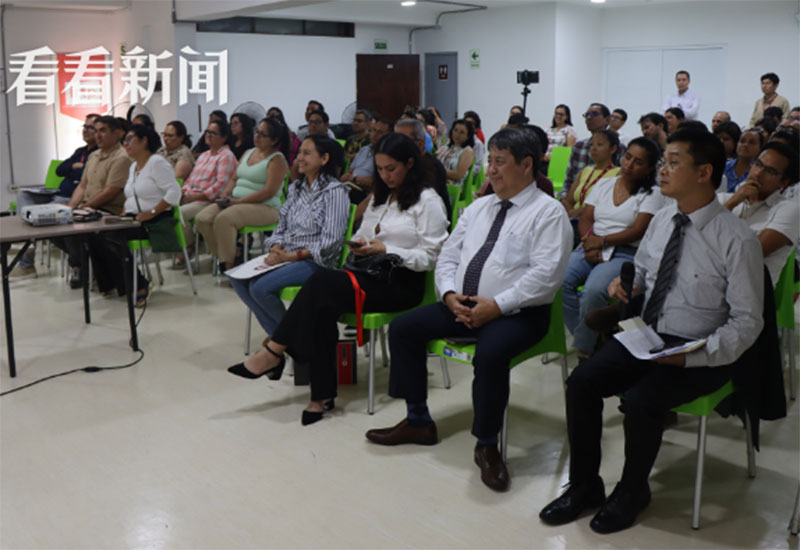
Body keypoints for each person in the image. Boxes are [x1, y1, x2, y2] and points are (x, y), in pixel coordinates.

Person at [540, 129, 764, 534]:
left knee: (643, 401)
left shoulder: (736, 240)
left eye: (674, 162)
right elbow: (643, 272)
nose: (663, 169)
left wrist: (693, 356)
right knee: (582, 382)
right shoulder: (663, 220)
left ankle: (632, 491)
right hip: (650, 336)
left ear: (704, 173)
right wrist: (624, 286)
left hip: (700, 350)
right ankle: (585, 485)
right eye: (664, 161)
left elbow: (747, 322)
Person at [364, 128, 572, 492]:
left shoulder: (548, 213)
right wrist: (448, 295)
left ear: (527, 165)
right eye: (490, 161)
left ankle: (486, 444)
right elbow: (448, 256)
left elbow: (546, 276)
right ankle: (418, 420)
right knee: (404, 329)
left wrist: (497, 306)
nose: (491, 170)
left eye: (500, 162)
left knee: (490, 353)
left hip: (519, 314)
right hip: (462, 305)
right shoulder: (478, 208)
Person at [227, 133, 449, 427]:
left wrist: (388, 250)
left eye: (391, 169)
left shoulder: (428, 200)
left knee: (321, 283)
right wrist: (361, 244)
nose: (385, 176)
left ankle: (275, 351)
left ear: (410, 164)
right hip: (367, 272)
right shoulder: (380, 196)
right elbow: (364, 234)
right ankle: (319, 396)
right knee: (321, 303)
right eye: (380, 169)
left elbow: (433, 257)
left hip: (400, 282)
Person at [227, 135, 350, 340]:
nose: (299, 158)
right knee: (238, 279)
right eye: (299, 152)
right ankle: (286, 340)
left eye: (306, 153)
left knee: (260, 288)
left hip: (315, 261)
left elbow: (331, 242)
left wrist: (292, 257)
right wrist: (275, 247)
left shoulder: (335, 192)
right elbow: (281, 226)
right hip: (287, 256)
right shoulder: (296, 188)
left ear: (324, 159)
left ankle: (288, 340)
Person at [562, 137, 664, 357]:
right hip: (591, 245)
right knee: (560, 281)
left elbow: (638, 230)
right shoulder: (605, 184)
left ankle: (585, 350)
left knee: (593, 291)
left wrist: (603, 241)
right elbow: (586, 218)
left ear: (649, 168)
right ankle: (590, 337)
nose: (629, 165)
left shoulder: (652, 194)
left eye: (638, 162)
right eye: (628, 157)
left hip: (624, 251)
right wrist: (589, 242)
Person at [87, 124, 181, 306]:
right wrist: (124, 212)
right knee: (93, 234)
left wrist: (151, 213)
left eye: (129, 139)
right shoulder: (133, 167)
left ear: (144, 141)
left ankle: (139, 284)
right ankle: (111, 282)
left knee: (112, 237)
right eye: (124, 141)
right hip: (133, 218)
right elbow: (132, 195)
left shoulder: (157, 163)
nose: (126, 144)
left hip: (155, 221)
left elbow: (174, 193)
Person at [194, 117, 290, 272]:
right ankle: (228, 254)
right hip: (236, 202)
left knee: (224, 218)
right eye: (257, 132)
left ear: (274, 140)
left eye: (263, 135)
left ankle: (229, 266)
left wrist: (238, 202)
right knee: (202, 218)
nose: (257, 136)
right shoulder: (248, 152)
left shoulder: (277, 159)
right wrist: (225, 193)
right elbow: (234, 178)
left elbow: (269, 191)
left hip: (266, 207)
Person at [11, 113, 100, 278]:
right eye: (84, 126)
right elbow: (59, 170)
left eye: (90, 128)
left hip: (70, 198)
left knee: (43, 221)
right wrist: (73, 166)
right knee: (24, 195)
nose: (86, 130)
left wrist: (75, 169)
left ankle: (27, 262)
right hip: (57, 193)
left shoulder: (98, 153)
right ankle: (25, 242)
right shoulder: (80, 151)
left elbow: (85, 177)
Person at [52, 116, 132, 288]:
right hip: (89, 209)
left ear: (117, 133)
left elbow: (111, 191)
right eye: (96, 131)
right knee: (54, 227)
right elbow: (82, 186)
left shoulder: (121, 157)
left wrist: (84, 208)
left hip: (109, 210)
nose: (98, 135)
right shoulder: (93, 155)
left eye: (103, 131)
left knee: (72, 231)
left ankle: (81, 267)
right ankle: (87, 263)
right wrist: (71, 208)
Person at [719, 141, 799, 286]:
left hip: (746, 294)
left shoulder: (789, 210)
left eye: (770, 171)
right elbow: (695, 238)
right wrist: (732, 203)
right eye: (758, 164)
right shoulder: (725, 200)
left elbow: (749, 256)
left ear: (783, 182)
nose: (758, 173)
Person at [177, 119, 237, 263]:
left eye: (213, 133)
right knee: (167, 211)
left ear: (223, 137)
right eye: (207, 132)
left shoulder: (226, 156)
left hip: (209, 201)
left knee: (179, 214)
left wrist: (194, 197)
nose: (208, 135)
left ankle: (191, 245)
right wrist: (184, 193)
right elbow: (190, 180)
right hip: (193, 198)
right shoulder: (204, 155)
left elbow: (221, 186)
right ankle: (189, 244)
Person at [394, 118, 451, 219]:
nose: (395, 145)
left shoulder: (432, 167)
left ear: (420, 144)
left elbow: (420, 203)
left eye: (402, 141)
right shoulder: (401, 162)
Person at [563, 103, 625, 192]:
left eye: (594, 114)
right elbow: (568, 181)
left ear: (607, 119)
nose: (589, 118)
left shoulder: (618, 148)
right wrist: (564, 195)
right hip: (576, 196)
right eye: (587, 115)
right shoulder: (579, 147)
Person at [562, 129, 621, 221]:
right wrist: (571, 214)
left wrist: (581, 212)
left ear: (613, 149)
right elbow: (568, 200)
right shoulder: (585, 171)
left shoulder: (618, 174)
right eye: (591, 145)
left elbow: (609, 206)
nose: (594, 148)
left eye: (599, 144)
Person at [340, 118, 393, 204]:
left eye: (380, 132)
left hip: (366, 193)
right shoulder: (364, 149)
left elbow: (379, 183)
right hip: (351, 186)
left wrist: (355, 178)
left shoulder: (388, 156)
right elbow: (350, 171)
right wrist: (346, 176)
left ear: (389, 136)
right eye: (374, 130)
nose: (374, 134)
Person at [722, 127, 764, 192]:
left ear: (760, 148)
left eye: (752, 142)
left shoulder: (759, 174)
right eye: (742, 141)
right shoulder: (723, 167)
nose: (745, 145)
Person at [437, 119, 475, 186]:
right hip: (437, 180)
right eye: (455, 130)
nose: (457, 134)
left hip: (452, 186)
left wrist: (437, 171)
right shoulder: (446, 145)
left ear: (468, 136)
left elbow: (458, 175)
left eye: (462, 132)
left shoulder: (467, 151)